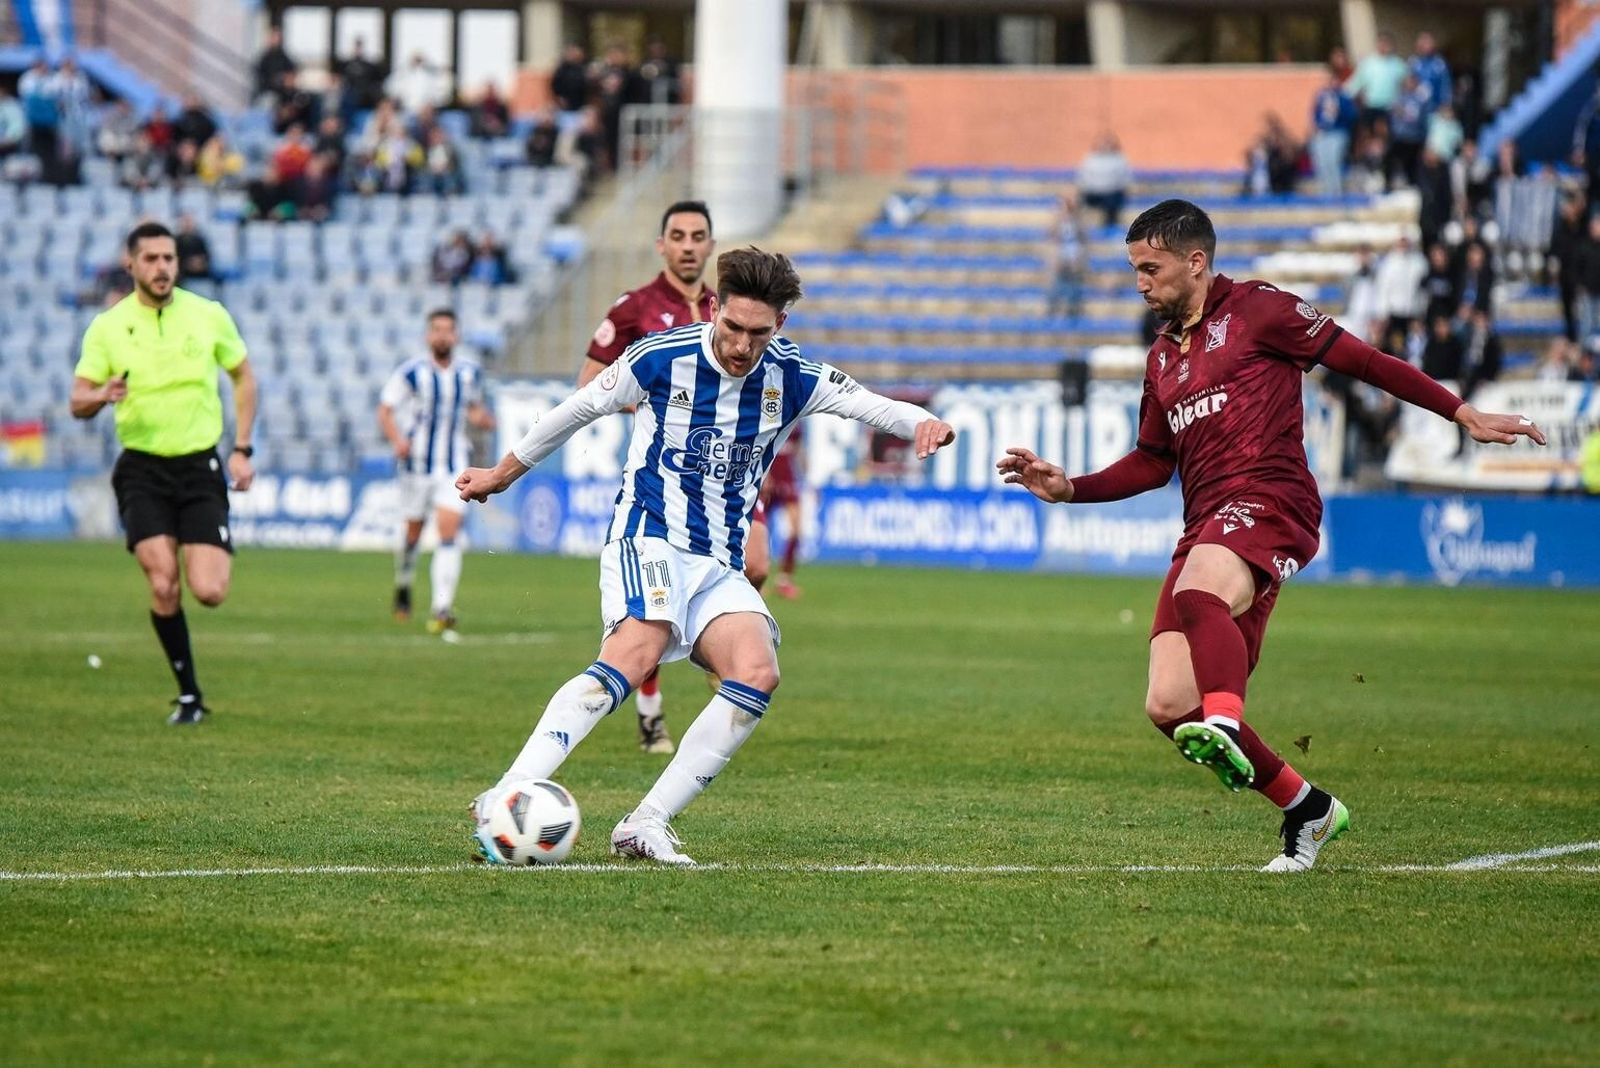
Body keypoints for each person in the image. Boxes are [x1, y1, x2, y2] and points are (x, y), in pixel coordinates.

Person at [997, 200, 1544, 872]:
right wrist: (1070, 488)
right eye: (1135, 269)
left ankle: (1225, 721)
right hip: (1207, 525)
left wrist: (1461, 411)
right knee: (1168, 703)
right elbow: (1152, 461)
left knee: (1200, 601)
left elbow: (1364, 361)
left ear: (1196, 263)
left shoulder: (1260, 310)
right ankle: (1308, 807)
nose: (1140, 282)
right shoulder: (1162, 358)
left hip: (1272, 499)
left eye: (1151, 268)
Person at [457, 247, 955, 865]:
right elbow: (577, 409)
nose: (744, 345)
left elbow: (876, 407)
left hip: (718, 560)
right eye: (734, 327)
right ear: (714, 308)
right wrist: (503, 474)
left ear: (781, 327)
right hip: (649, 534)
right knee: (637, 649)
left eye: (759, 333)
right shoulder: (659, 358)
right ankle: (505, 796)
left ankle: (646, 823)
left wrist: (923, 422)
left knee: (757, 670)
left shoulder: (794, 375)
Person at [68, 222, 258, 726]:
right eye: (150, 259)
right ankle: (190, 695)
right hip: (142, 468)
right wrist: (100, 395)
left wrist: (242, 448)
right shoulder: (108, 327)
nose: (162, 268)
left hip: (200, 466)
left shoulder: (208, 315)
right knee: (163, 582)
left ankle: (191, 690)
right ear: (131, 264)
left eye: (169, 258)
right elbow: (76, 400)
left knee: (210, 591)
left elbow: (243, 375)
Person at [578, 200, 751, 754]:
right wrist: (656, 410)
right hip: (665, 478)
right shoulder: (635, 308)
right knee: (654, 609)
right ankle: (650, 710)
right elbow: (590, 383)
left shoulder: (725, 310)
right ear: (662, 245)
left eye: (698, 236)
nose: (688, 245)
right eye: (677, 235)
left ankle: (715, 641)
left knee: (762, 564)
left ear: (709, 244)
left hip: (726, 475)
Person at [377, 310, 495, 638]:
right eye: (437, 330)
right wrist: (397, 440)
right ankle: (403, 583)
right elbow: (385, 409)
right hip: (416, 465)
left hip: (453, 465)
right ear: (428, 336)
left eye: (448, 330)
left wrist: (481, 418)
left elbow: (471, 406)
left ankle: (441, 608)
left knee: (449, 532)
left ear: (456, 336)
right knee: (412, 535)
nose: (443, 336)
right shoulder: (412, 373)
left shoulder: (469, 373)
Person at [760, 423, 805, 599]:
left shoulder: (797, 415)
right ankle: (754, 580)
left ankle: (784, 580)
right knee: (760, 529)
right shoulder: (770, 415)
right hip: (768, 478)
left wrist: (805, 476)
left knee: (796, 528)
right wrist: (765, 475)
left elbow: (798, 450)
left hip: (788, 478)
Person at [1309, 69, 1357, 197]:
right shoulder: (1322, 95)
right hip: (1323, 133)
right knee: (1321, 161)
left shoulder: (1344, 97)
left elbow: (1352, 115)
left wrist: (1339, 111)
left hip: (1338, 132)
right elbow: (1315, 113)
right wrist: (1317, 127)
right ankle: (1325, 190)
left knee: (1333, 161)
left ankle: (1336, 191)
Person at [1079, 132, 1133, 228]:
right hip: (1093, 193)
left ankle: (1110, 227)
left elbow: (1125, 179)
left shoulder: (1119, 159)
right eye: (1103, 143)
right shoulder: (1090, 158)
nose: (1105, 146)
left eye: (1108, 143)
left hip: (1112, 193)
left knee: (1112, 202)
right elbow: (1084, 177)